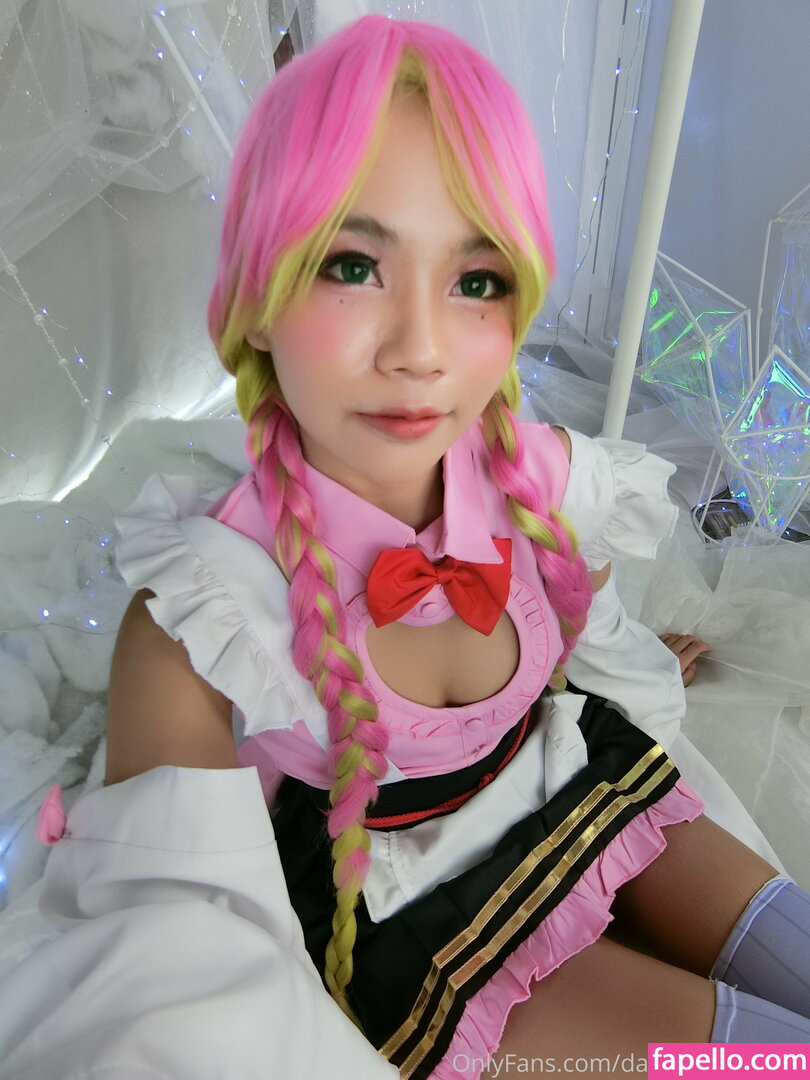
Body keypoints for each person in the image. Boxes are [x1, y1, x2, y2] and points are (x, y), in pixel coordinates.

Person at [2, 14, 809, 1080]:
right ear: (254, 303)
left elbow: (593, 621)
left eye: (475, 281)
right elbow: (178, 981)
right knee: (773, 1063)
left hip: (576, 788)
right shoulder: (202, 620)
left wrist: (630, 672)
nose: (422, 351)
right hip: (418, 919)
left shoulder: (540, 481)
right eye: (353, 265)